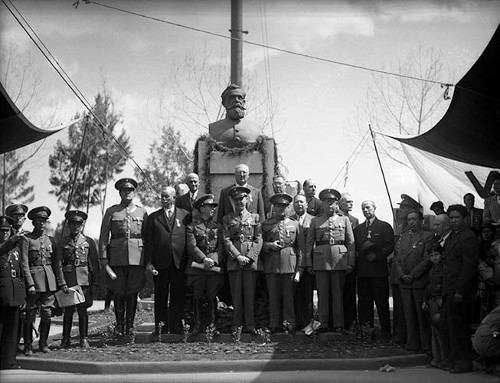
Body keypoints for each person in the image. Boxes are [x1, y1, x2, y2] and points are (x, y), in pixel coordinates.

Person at [99, 178, 148, 338]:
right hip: (117, 257)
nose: (127, 193)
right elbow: (104, 236)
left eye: (130, 190)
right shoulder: (112, 211)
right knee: (118, 291)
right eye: (124, 190)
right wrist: (104, 257)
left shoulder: (142, 212)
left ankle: (130, 326)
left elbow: (147, 236)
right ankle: (119, 326)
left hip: (137, 257)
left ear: (134, 193)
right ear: (120, 193)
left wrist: (148, 259)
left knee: (133, 292)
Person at [305, 189, 355, 333]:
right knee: (323, 293)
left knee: (338, 293)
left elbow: (351, 243)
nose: (329, 206)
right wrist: (309, 263)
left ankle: (339, 324)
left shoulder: (344, 220)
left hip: (340, 260)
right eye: (326, 203)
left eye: (332, 203)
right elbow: (309, 244)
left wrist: (351, 262)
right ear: (323, 205)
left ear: (337, 204)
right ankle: (324, 324)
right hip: (321, 261)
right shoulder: (316, 221)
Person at [144, 186, 189, 336]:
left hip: (179, 262)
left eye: (167, 197)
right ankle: (160, 328)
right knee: (160, 296)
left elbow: (189, 240)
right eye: (162, 197)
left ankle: (176, 328)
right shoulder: (153, 217)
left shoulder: (185, 215)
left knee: (178, 296)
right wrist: (149, 263)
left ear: (174, 197)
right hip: (160, 263)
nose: (164, 199)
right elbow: (149, 242)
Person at [440, 204, 479, 373]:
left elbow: (469, 267)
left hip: (459, 289)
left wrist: (460, 291)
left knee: (459, 327)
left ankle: (464, 362)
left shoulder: (468, 237)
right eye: (452, 218)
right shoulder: (453, 236)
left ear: (465, 219)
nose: (454, 221)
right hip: (448, 287)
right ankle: (453, 359)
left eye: (457, 217)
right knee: (448, 325)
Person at [56, 210, 99, 349]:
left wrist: (94, 283)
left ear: (82, 225)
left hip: (84, 279)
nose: (76, 227)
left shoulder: (89, 242)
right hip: (68, 280)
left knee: (83, 310)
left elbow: (95, 264)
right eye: (73, 224)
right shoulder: (62, 242)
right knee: (68, 311)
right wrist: (61, 282)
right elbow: (58, 264)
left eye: (79, 224)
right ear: (68, 225)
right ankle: (65, 338)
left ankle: (83, 338)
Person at [222, 186, 263, 333]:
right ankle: (237, 326)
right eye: (236, 200)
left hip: (250, 262)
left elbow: (258, 239)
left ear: (247, 200)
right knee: (236, 296)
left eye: (242, 199)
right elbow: (226, 240)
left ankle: (250, 325)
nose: (239, 202)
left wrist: (250, 257)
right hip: (235, 262)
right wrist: (238, 256)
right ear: (233, 202)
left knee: (250, 295)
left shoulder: (255, 217)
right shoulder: (227, 218)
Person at [20, 206, 60, 355]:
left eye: (44, 220)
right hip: (34, 282)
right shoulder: (27, 239)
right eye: (39, 220)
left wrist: (59, 282)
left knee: (47, 314)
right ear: (33, 222)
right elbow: (24, 263)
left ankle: (43, 343)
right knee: (30, 314)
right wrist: (29, 283)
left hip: (49, 281)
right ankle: (28, 346)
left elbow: (56, 264)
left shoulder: (50, 240)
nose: (42, 223)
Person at [261, 193, 303, 333]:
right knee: (273, 297)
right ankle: (274, 324)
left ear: (289, 207)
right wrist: (269, 245)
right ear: (274, 207)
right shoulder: (267, 224)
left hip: (289, 263)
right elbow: (260, 244)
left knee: (289, 297)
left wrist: (299, 268)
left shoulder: (295, 224)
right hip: (272, 264)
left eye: (284, 206)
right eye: (279, 206)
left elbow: (300, 249)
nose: (281, 209)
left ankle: (289, 323)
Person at [353, 200, 394, 341]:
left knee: (382, 304)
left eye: (368, 207)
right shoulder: (357, 230)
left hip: (379, 273)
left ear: (375, 208)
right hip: (363, 273)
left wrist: (377, 255)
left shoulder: (384, 226)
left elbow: (390, 245)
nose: (366, 210)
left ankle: (386, 333)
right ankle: (367, 333)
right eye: (363, 208)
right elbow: (355, 248)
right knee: (364, 304)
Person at [393, 210, 432, 352]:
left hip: (419, 282)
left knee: (421, 316)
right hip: (405, 283)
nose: (412, 222)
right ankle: (412, 343)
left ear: (421, 220)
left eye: (415, 219)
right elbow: (397, 259)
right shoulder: (402, 237)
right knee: (408, 316)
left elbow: (428, 259)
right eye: (409, 219)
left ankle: (425, 345)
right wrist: (402, 275)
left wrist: (413, 275)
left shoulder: (427, 236)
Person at [185, 194, 224, 336]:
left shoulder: (218, 227)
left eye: (214, 207)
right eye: (210, 206)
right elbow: (192, 247)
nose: (213, 209)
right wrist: (203, 259)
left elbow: (221, 246)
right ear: (202, 208)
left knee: (212, 296)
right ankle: (198, 326)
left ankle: (212, 326)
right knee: (198, 296)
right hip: (197, 268)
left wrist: (212, 259)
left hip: (213, 268)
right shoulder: (192, 227)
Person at [0, 216, 25, 369]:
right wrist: (12, 240)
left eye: (7, 231)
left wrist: (23, 296)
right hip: (1, 293)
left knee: (13, 329)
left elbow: (21, 270)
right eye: (1, 231)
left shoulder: (16, 248)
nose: (4, 234)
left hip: (14, 292)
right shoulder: (6, 246)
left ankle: (8, 361)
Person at [422, 242, 451, 370]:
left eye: (436, 255)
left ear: (442, 254)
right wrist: (424, 300)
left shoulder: (445, 269)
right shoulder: (431, 270)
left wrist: (443, 298)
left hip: (440, 302)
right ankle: (436, 358)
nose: (434, 257)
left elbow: (446, 285)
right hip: (431, 302)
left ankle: (445, 359)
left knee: (441, 331)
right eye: (431, 255)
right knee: (434, 332)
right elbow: (428, 287)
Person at [290, 194, 314, 330]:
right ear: (293, 205)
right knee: (295, 294)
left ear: (306, 205)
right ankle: (297, 322)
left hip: (309, 263)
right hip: (294, 263)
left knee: (308, 294)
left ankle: (308, 323)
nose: (299, 204)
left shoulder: (314, 220)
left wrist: (310, 262)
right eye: (296, 202)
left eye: (301, 202)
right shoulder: (289, 220)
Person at [338, 192, 359, 330]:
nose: (351, 204)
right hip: (336, 260)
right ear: (339, 203)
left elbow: (353, 243)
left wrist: (352, 262)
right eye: (347, 201)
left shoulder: (354, 220)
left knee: (350, 292)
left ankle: (350, 321)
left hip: (349, 260)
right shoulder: (334, 217)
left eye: (352, 201)